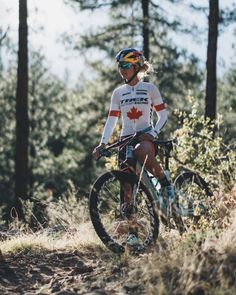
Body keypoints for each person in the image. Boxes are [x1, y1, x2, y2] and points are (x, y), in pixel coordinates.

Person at [93, 48, 174, 247]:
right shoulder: (118, 93)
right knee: (126, 189)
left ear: (137, 66)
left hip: (146, 137)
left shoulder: (150, 88)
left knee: (141, 149)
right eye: (120, 66)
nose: (122, 70)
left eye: (126, 66)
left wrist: (153, 133)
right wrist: (102, 143)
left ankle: (165, 183)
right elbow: (111, 120)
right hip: (125, 139)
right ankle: (133, 233)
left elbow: (163, 116)